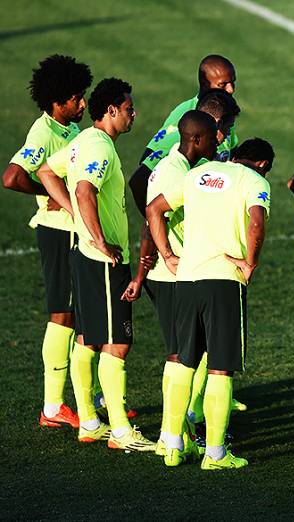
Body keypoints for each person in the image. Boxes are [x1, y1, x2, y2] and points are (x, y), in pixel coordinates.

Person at [37, 77, 152, 450]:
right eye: (130, 108)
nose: (134, 115)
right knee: (116, 345)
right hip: (103, 260)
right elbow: (85, 189)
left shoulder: (82, 141)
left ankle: (89, 421)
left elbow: (46, 171)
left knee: (86, 339)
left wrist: (72, 212)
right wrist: (100, 238)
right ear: (112, 110)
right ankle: (120, 431)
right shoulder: (100, 147)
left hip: (83, 255)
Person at [147, 138, 274, 469]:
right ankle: (215, 454)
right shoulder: (255, 181)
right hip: (224, 281)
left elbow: (153, 209)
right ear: (263, 166)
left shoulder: (198, 175)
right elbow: (256, 223)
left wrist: (168, 255)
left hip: (186, 278)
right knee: (220, 366)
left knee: (184, 361)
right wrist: (250, 262)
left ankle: (173, 445)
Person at [3, 55, 92, 430]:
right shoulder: (44, 133)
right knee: (63, 314)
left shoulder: (69, 130)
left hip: (73, 231)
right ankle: (53, 407)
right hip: (57, 230)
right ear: (58, 101)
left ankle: (92, 401)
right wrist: (48, 192)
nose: (83, 103)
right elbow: (11, 177)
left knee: (82, 316)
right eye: (76, 97)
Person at [141, 110, 220, 460]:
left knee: (186, 353)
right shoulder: (175, 173)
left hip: (177, 275)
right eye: (215, 136)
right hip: (173, 278)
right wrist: (168, 256)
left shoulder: (180, 168)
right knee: (180, 356)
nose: (220, 142)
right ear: (197, 139)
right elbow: (154, 214)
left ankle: (176, 433)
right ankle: (169, 437)